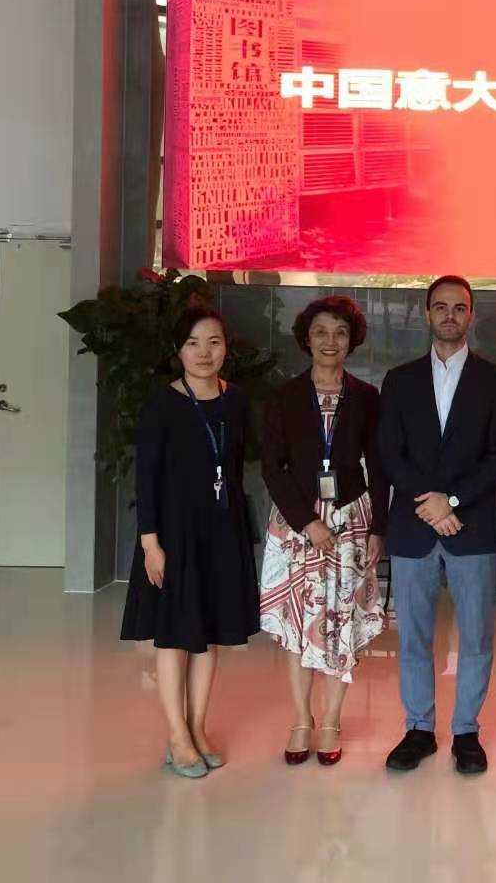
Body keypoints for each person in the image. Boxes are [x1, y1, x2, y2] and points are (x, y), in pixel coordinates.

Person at [378, 276, 496, 776]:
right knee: (413, 636)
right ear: (426, 314)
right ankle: (419, 728)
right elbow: (389, 450)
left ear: (471, 315)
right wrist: (430, 502)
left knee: (476, 636)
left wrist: (451, 500)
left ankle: (466, 731)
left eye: (460, 307)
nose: (450, 315)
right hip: (414, 526)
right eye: (441, 307)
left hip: (472, 525)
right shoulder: (399, 380)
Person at [120, 306, 260, 779]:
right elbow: (147, 479)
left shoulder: (236, 401)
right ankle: (177, 735)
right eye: (193, 343)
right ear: (178, 350)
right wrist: (150, 544)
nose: (204, 352)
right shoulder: (161, 404)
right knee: (174, 636)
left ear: (226, 348)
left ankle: (197, 727)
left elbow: (234, 468)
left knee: (208, 636)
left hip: (221, 530)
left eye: (214, 342)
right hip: (173, 535)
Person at [259, 296, 387, 767]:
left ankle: (331, 719)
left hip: (352, 523)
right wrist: (307, 521)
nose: (330, 341)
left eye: (340, 332)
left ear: (352, 340)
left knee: (341, 620)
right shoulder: (285, 396)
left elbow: (379, 466)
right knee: (298, 622)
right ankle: (301, 718)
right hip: (296, 525)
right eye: (320, 332)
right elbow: (271, 467)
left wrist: (379, 527)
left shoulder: (367, 397)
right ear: (306, 339)